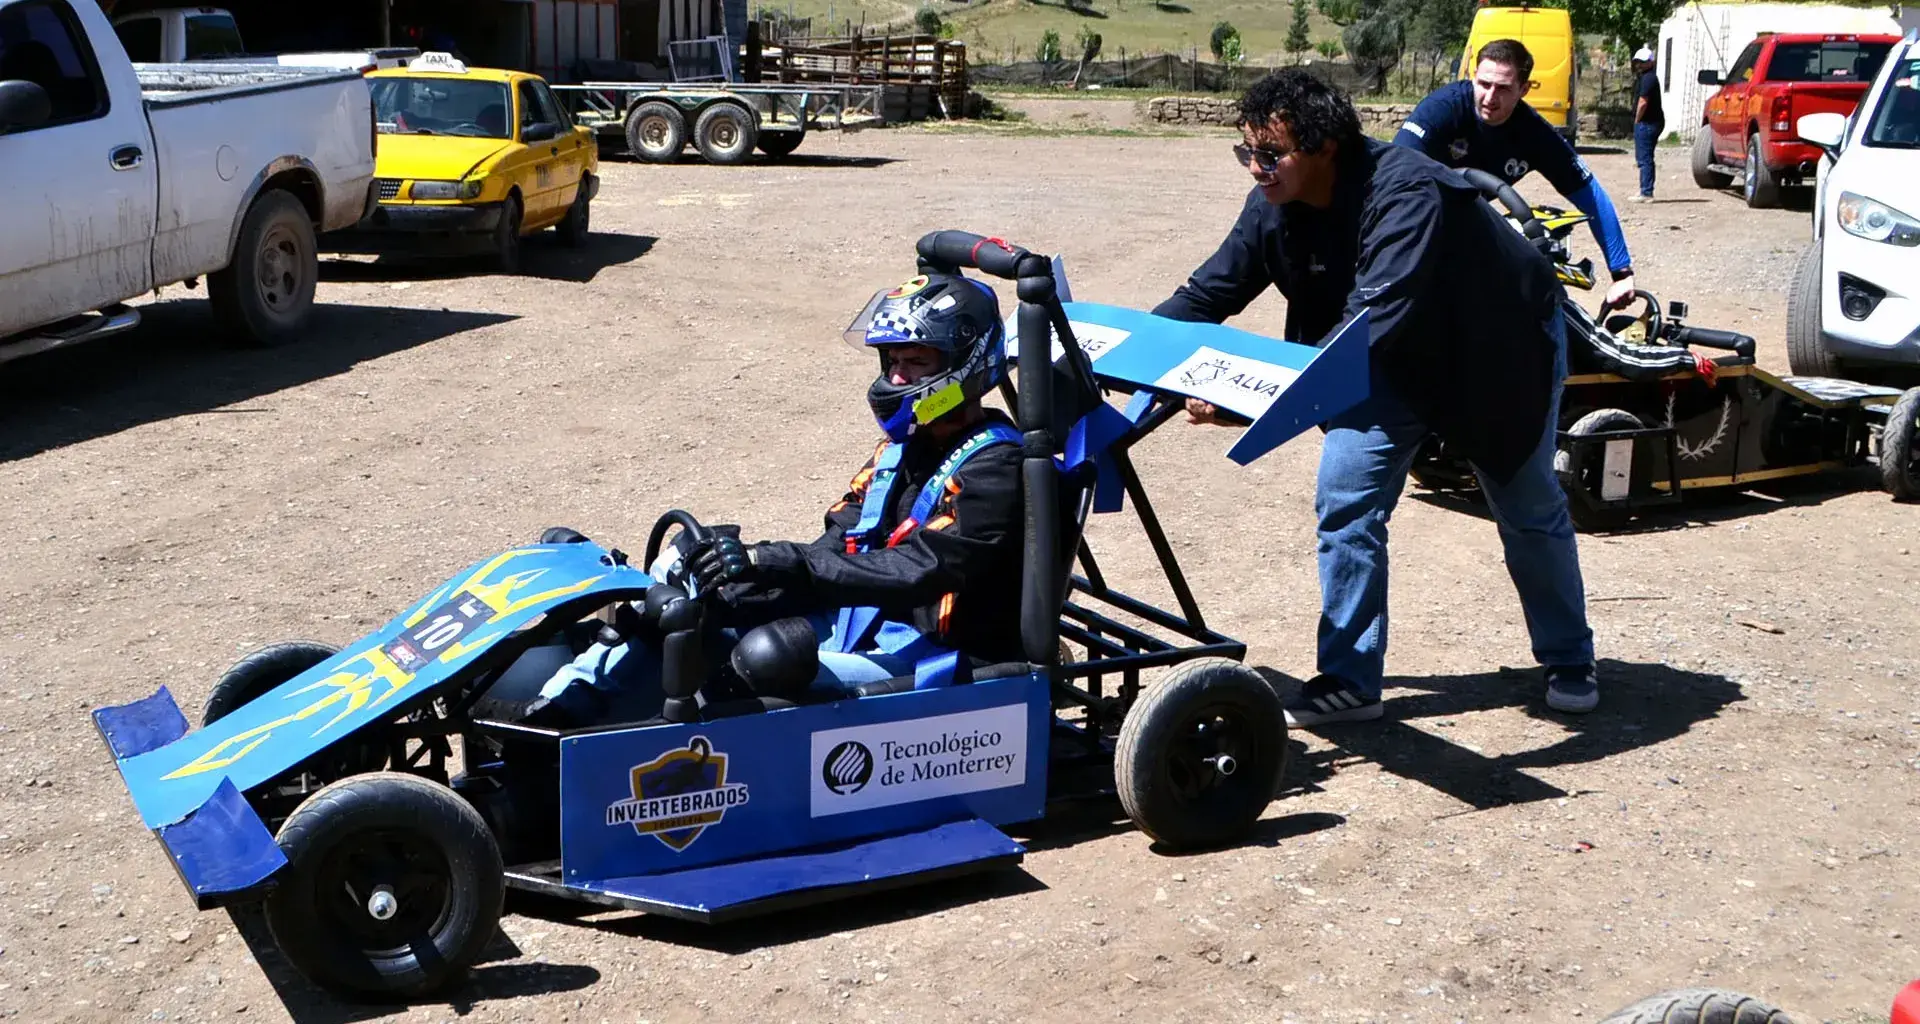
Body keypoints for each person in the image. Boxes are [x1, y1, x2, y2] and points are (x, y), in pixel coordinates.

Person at [1154, 69, 1600, 724]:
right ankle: (1350, 680)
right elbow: (1207, 295)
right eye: (1246, 151)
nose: (1256, 168)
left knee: (1525, 504)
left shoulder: (1405, 193)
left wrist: (1254, 399)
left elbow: (1366, 323)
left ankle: (1569, 653)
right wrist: (1119, 354)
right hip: (1387, 356)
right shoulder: (1273, 201)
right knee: (1346, 498)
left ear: (1325, 146)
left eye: (1270, 153)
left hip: (1492, 351)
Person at [524, 271, 1026, 726]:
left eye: (915, 363)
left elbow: (917, 570)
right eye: (892, 361)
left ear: (965, 366)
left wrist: (782, 563)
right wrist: (747, 572)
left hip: (930, 658)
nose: (896, 379)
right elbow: (840, 544)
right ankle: (557, 713)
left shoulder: (996, 469)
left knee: (752, 662)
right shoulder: (904, 448)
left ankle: (655, 772)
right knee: (689, 601)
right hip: (858, 621)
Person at [1395, 39, 1642, 308]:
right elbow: (1394, 173)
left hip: (1470, 224)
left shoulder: (1534, 134)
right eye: (1484, 84)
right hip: (1417, 217)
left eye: (1503, 88)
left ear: (1523, 89)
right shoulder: (1442, 109)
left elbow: (1591, 195)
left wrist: (1621, 273)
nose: (1489, 97)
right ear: (1473, 76)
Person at [1630, 46, 1665, 201]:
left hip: (1648, 122)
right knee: (1643, 157)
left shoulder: (1648, 78)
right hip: (1649, 122)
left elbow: (1643, 102)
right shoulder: (1645, 77)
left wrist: (1637, 120)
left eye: (1643, 62)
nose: (1640, 65)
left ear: (1651, 62)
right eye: (1638, 62)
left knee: (1645, 158)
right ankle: (1644, 189)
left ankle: (1646, 192)